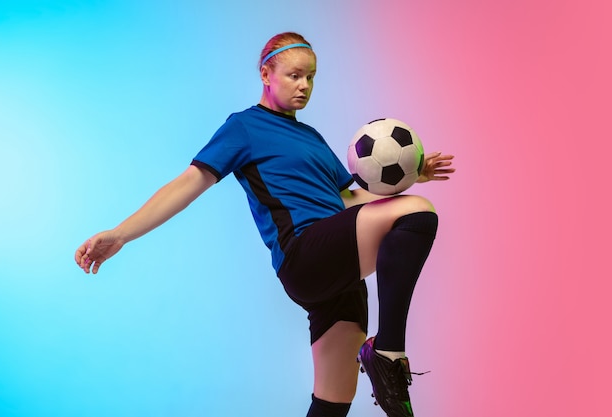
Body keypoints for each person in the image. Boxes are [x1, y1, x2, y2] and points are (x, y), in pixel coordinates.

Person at [74, 32, 455, 417]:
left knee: (332, 403)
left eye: (311, 77)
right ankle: (388, 352)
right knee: (418, 212)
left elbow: (350, 200)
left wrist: (409, 177)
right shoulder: (245, 127)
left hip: (341, 277)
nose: (304, 86)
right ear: (266, 74)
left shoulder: (312, 137)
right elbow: (188, 183)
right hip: (306, 255)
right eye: (294, 75)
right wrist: (120, 234)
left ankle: (383, 358)